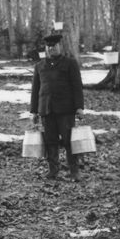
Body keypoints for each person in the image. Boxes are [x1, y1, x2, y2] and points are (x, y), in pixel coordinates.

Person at [30, 34, 85, 181]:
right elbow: (36, 90)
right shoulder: (40, 66)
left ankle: (74, 171)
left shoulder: (70, 63)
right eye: (48, 46)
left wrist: (79, 107)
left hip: (66, 110)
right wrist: (34, 111)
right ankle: (53, 171)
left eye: (54, 46)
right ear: (46, 48)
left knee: (69, 141)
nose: (51, 49)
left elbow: (77, 87)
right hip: (46, 110)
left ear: (60, 46)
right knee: (50, 141)